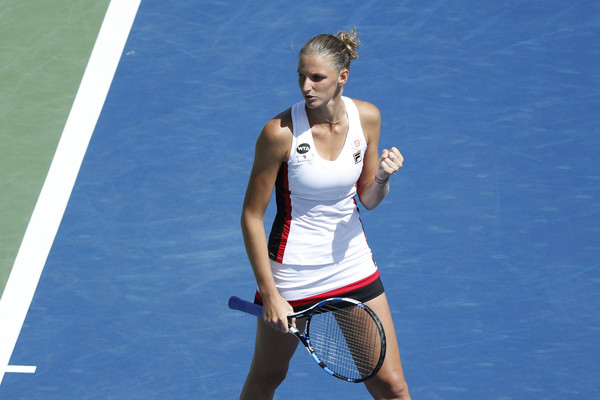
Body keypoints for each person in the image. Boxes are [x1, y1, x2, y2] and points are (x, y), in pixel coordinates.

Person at [239, 28, 411, 400]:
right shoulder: (279, 133)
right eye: (301, 75)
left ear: (342, 77)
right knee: (267, 377)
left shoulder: (367, 118)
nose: (306, 86)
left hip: (352, 263)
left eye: (317, 77)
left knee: (392, 386)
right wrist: (270, 294)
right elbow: (251, 216)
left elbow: (368, 198)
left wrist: (381, 177)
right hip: (293, 275)